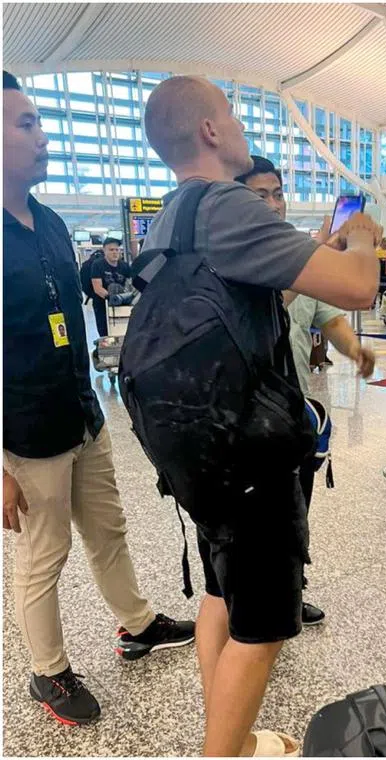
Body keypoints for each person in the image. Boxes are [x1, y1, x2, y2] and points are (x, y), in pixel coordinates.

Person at [141, 75, 382, 756]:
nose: (242, 127)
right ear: (211, 131)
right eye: (233, 115)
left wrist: (320, 243)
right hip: (251, 447)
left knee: (221, 590)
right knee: (264, 626)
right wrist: (362, 236)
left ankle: (234, 736)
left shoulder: (174, 213)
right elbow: (359, 285)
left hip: (196, 447)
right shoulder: (229, 205)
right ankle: (226, 752)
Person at [2, 70, 196, 727]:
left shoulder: (51, 224)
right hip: (23, 433)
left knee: (107, 529)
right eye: (25, 124)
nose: (43, 135)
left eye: (39, 121)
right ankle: (47, 672)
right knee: (42, 554)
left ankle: (136, 623)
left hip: (81, 414)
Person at [236, 154, 377, 627]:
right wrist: (316, 246)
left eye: (278, 194)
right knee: (255, 520)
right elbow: (272, 299)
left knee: (297, 506)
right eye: (261, 196)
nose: (274, 204)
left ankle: (291, 592)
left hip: (291, 411)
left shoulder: (297, 254)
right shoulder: (233, 260)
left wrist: (355, 348)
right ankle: (251, 606)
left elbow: (327, 316)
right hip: (246, 417)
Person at [89, 237, 131, 336]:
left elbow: (130, 284)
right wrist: (110, 297)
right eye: (111, 250)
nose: (115, 252)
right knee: (105, 334)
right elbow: (97, 288)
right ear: (104, 250)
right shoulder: (97, 265)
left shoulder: (125, 266)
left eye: (117, 249)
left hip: (121, 303)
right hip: (102, 304)